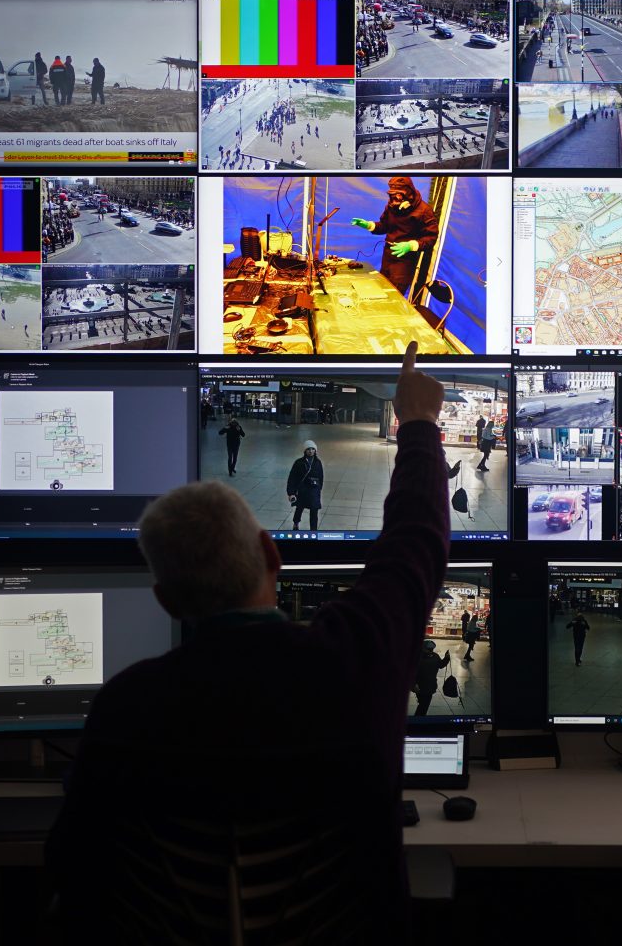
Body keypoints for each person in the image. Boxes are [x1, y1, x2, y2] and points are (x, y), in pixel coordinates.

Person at [45, 342, 449, 937]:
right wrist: (417, 424)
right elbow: (416, 542)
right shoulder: (353, 661)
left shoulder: (125, 708)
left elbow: (73, 867)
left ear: (167, 601)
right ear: (271, 554)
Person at [349, 176, 440, 294]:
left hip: (404, 261)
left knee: (394, 295)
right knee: (381, 289)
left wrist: (411, 245)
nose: (395, 198)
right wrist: (368, 225)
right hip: (388, 256)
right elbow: (384, 226)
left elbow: (431, 237)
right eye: (393, 194)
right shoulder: (392, 206)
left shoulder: (424, 210)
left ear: (408, 193)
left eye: (399, 195)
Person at [286, 439, 324, 531]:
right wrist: (291, 492)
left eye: (312, 449)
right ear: (305, 451)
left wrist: (319, 489)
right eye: (308, 449)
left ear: (315, 450)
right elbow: (292, 478)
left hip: (314, 491)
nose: (310, 451)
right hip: (302, 490)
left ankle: (313, 530)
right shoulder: (299, 463)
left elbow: (321, 477)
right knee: (299, 507)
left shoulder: (318, 463)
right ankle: (296, 522)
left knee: (314, 510)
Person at [412, 640, 452, 716]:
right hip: (420, 686)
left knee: (423, 705)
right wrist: (413, 684)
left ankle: (419, 719)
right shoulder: (417, 657)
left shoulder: (435, 656)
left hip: (430, 685)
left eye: (431, 649)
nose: (430, 651)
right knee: (423, 705)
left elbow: (440, 665)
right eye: (429, 649)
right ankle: (419, 719)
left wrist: (446, 658)